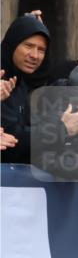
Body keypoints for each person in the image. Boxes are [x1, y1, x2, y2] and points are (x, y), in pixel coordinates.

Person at [1, 13, 51, 164]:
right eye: (28, 46)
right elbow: (13, 139)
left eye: (41, 50)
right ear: (13, 44)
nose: (35, 55)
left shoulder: (20, 82)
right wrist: (63, 129)